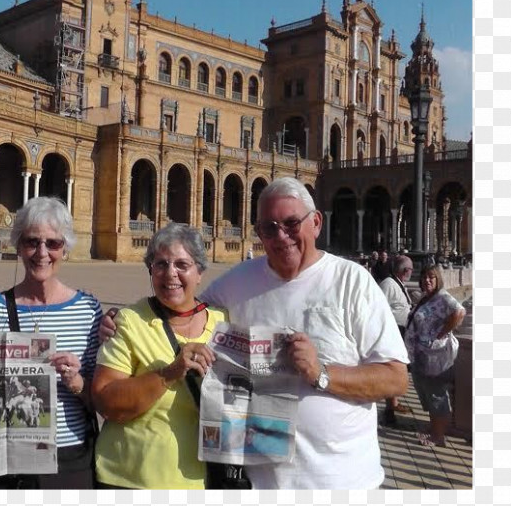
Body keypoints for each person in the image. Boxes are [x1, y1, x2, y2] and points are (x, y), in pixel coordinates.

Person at [98, 177, 408, 489]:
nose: (281, 235)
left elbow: (395, 378)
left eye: (290, 223)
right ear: (259, 232)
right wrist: (119, 319)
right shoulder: (238, 283)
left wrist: (322, 373)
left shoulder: (352, 281)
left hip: (341, 479)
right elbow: (182, 306)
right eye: (269, 227)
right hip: (260, 481)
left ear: (315, 223)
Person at [0, 196, 101, 489]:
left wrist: (76, 381)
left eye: (52, 243)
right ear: (18, 246)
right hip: (9, 457)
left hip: (71, 455)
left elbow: (99, 398)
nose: (42, 252)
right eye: (32, 242)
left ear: (65, 248)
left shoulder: (88, 311)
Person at [91, 223, 225, 489]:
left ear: (200, 273)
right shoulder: (129, 321)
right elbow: (105, 401)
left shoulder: (224, 324)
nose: (170, 274)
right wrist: (169, 373)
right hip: (131, 477)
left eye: (182, 265)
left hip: (199, 481)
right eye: (160, 264)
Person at [404, 264, 466, 447]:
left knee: (437, 395)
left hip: (435, 357)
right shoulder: (426, 298)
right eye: (424, 277)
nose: (427, 280)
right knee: (428, 394)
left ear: (438, 279)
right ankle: (434, 429)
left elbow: (460, 311)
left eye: (431, 277)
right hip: (421, 355)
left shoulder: (442, 297)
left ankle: (439, 437)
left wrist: (441, 333)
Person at [379, 254, 415, 425]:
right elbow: (378, 307)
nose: (411, 273)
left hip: (401, 333)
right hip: (393, 334)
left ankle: (394, 404)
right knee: (392, 370)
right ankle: (389, 410)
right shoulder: (388, 284)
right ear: (405, 271)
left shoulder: (397, 284)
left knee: (398, 368)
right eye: (410, 270)